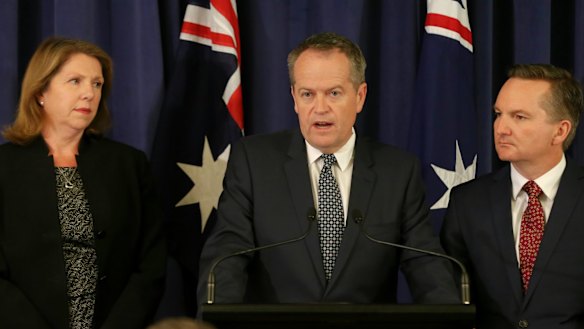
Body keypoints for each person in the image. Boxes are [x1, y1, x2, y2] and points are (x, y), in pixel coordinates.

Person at [197, 32, 459, 312]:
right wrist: (217, 320)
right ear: (294, 99)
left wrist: (451, 318)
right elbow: (226, 256)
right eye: (307, 94)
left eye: (334, 93)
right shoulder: (254, 162)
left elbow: (426, 265)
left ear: (360, 97)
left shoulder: (397, 171)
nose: (320, 108)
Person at [0, 37, 166, 328]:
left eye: (97, 84)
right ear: (41, 91)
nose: (89, 93)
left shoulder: (128, 164)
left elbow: (150, 263)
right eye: (75, 81)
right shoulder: (5, 166)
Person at [441, 64, 584, 328]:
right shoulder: (468, 202)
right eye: (498, 114)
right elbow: (450, 297)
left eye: (519, 117)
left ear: (560, 131)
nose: (501, 128)